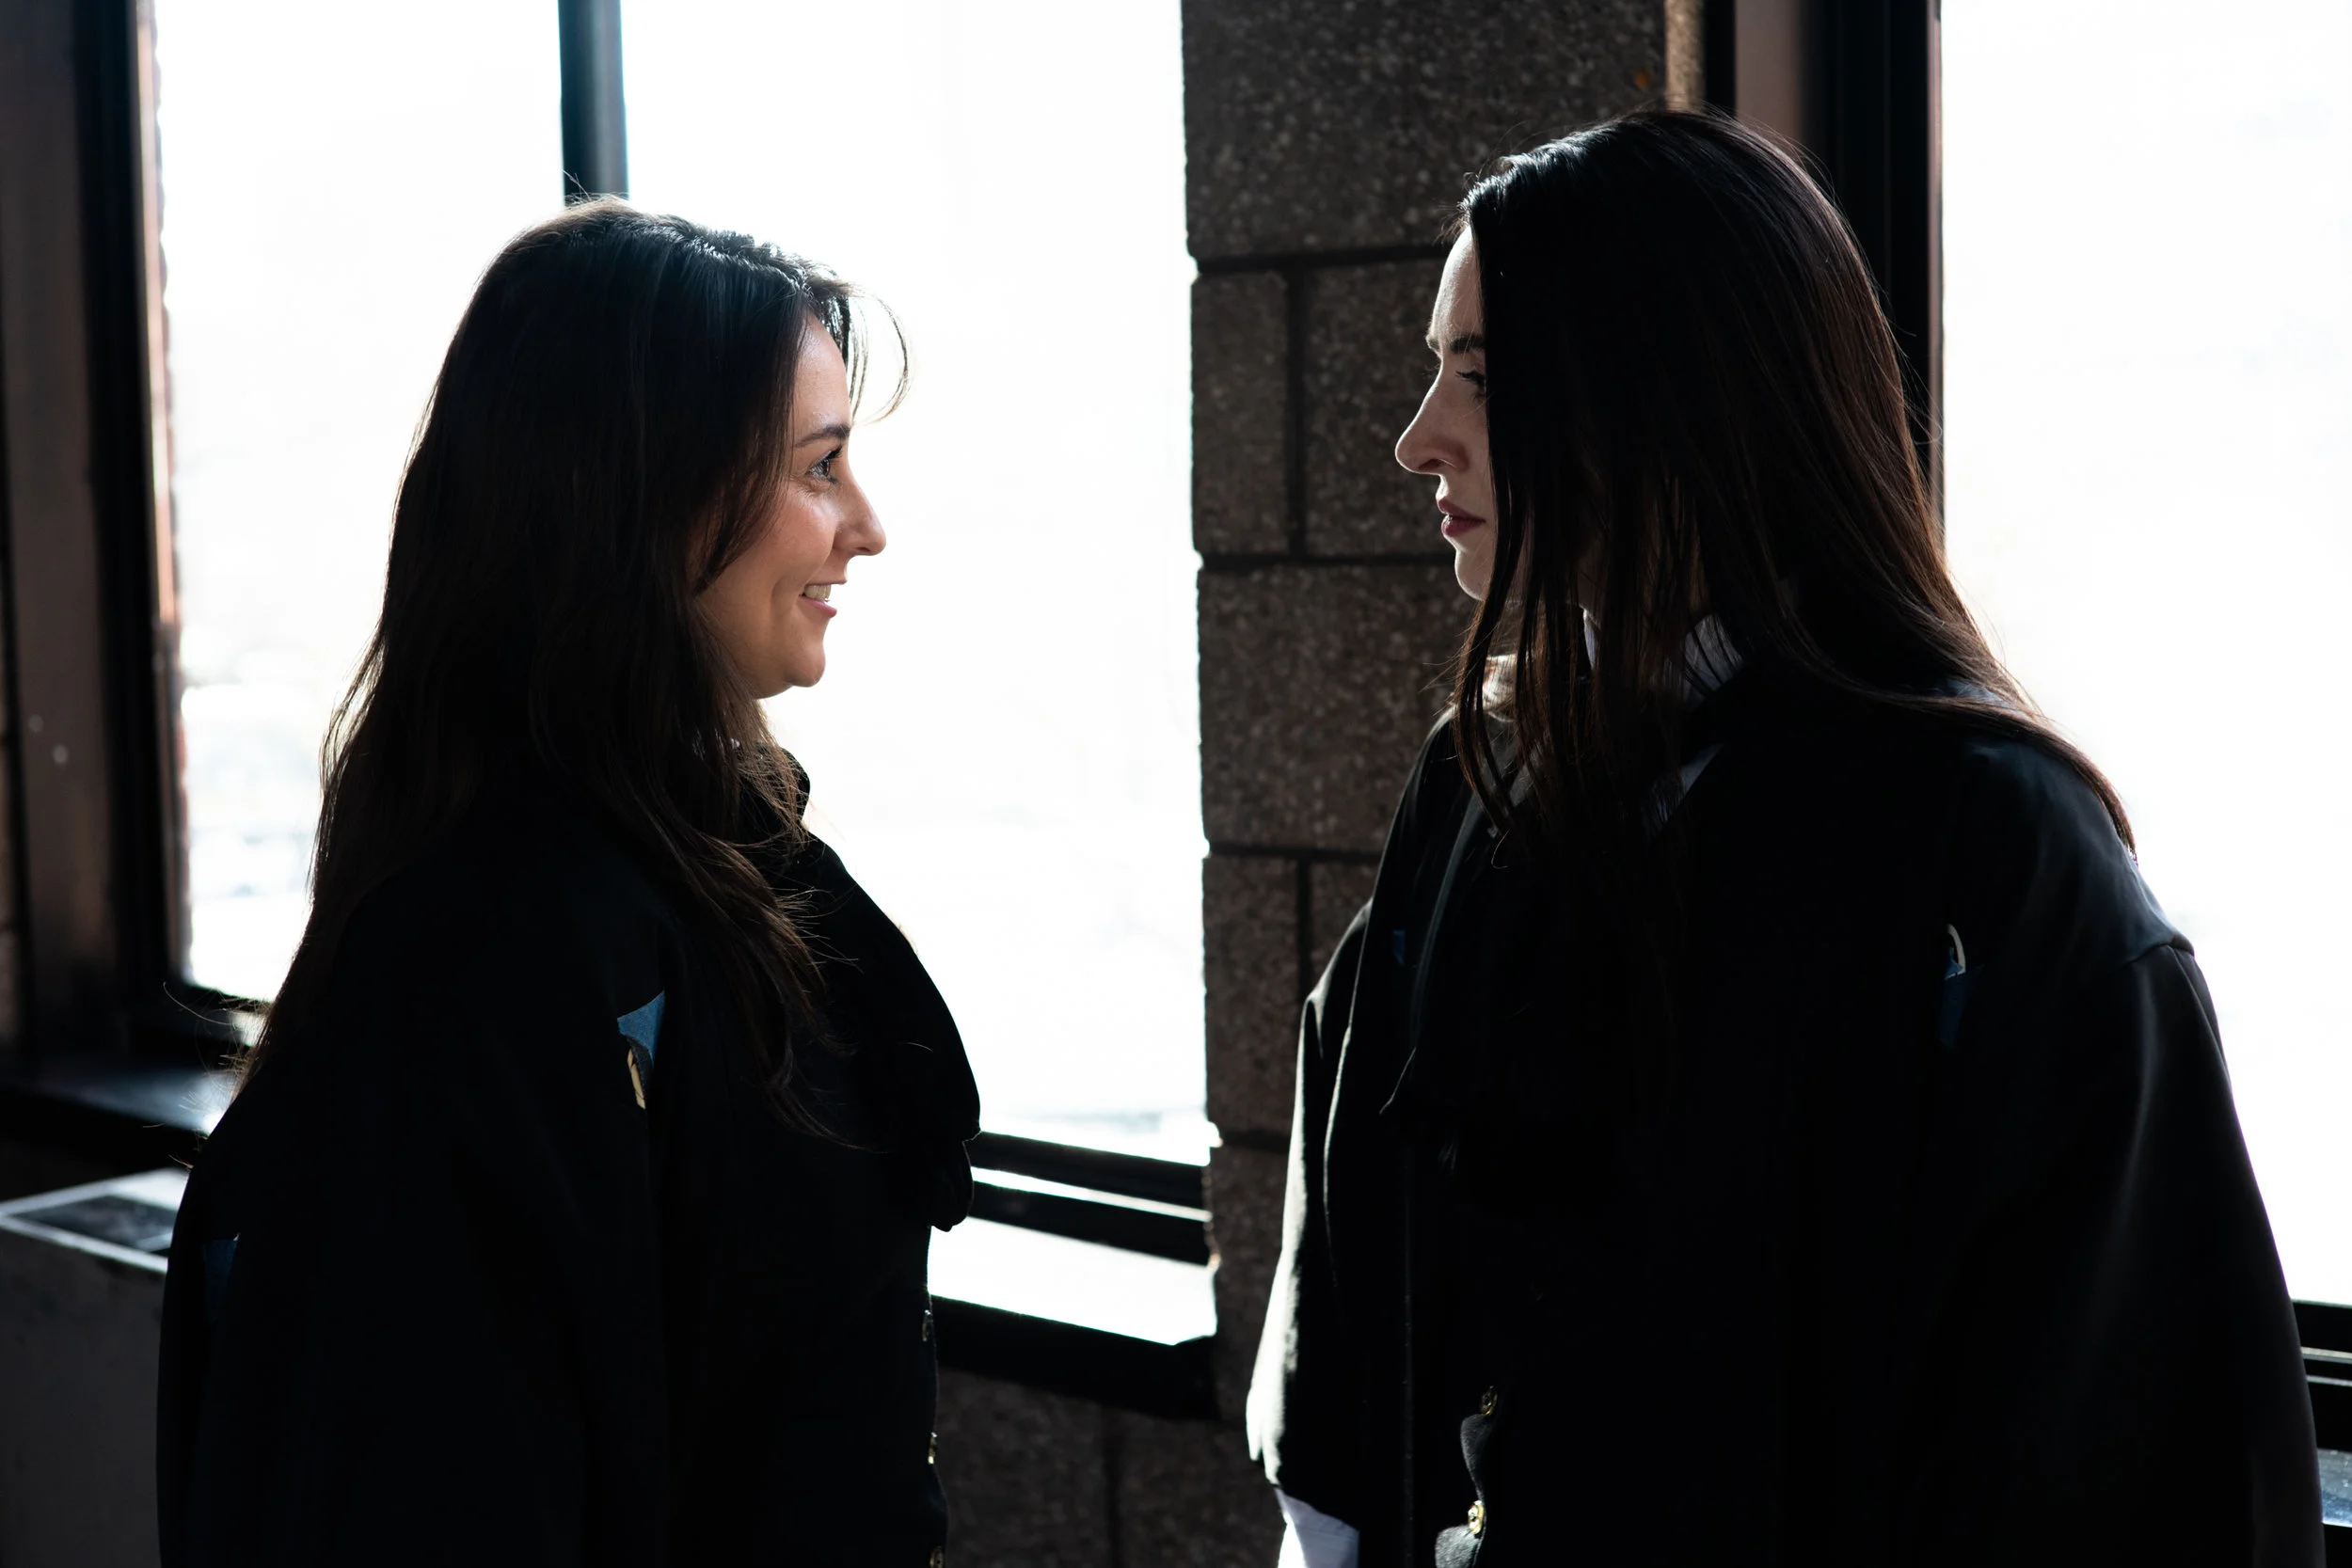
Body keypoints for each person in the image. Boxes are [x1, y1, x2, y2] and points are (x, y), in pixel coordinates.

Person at [1246, 111, 2322, 1567]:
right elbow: (1363, 1287)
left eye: (1483, 378)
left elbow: (2126, 1433)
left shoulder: (1990, 853)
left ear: (1682, 399)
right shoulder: (1481, 782)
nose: (1416, 436)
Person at [157, 201, 978, 1566]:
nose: (868, 527)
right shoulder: (493, 956)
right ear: (644, 497)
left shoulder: (708, 862)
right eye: (821, 467)